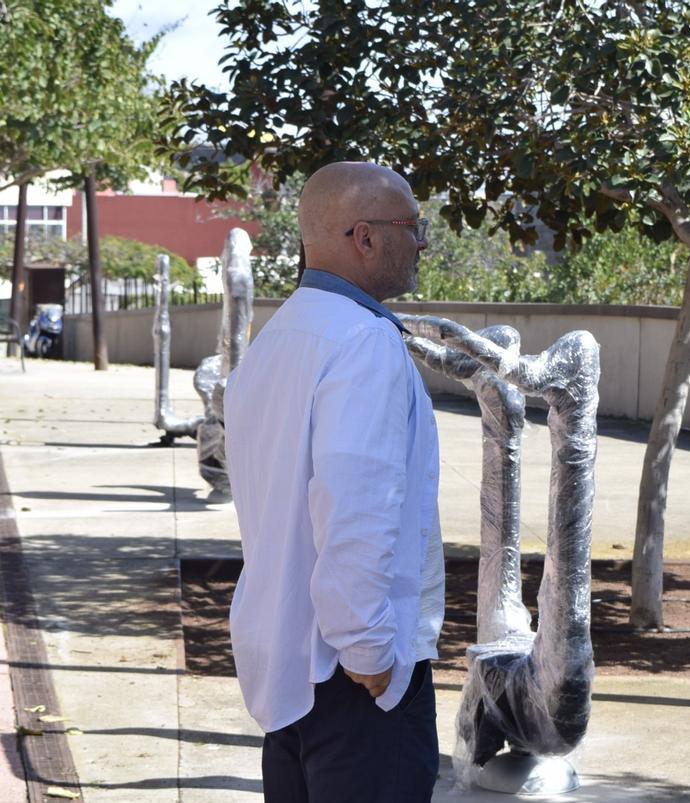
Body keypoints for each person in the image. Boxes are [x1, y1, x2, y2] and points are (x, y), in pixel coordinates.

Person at [224, 161, 445, 802]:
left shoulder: (278, 337)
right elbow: (356, 508)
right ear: (365, 237)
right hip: (352, 680)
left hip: (289, 669)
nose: (422, 243)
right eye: (412, 226)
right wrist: (369, 651)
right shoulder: (363, 341)